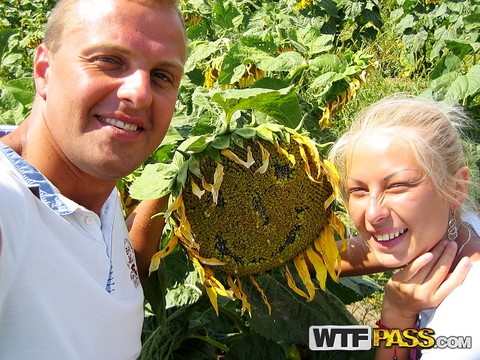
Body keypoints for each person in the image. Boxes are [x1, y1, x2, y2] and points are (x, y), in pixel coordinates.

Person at [0, 0, 187, 358]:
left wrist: (169, 183)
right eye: (109, 60)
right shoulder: (8, 206)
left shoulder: (93, 190)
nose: (139, 93)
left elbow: (108, 272)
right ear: (43, 70)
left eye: (162, 76)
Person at [328, 96, 480, 359]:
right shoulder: (460, 228)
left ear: (456, 188)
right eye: (358, 190)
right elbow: (359, 255)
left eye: (397, 186)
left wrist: (397, 314)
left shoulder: (464, 323)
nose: (373, 214)